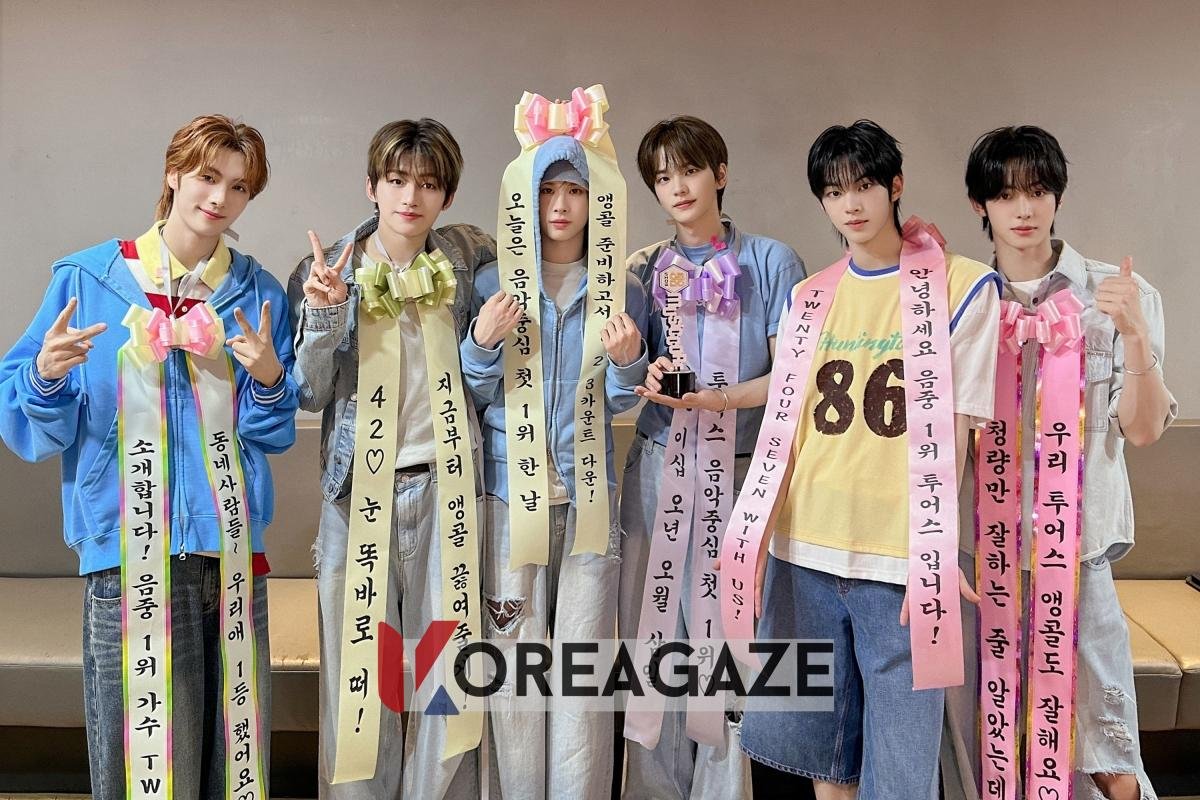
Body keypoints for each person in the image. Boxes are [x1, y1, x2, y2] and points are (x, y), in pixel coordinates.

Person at [0, 114, 296, 799]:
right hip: (126, 561)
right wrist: (44, 375)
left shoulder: (257, 295)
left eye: (238, 186)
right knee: (145, 775)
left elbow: (272, 432)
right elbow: (31, 427)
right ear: (173, 174)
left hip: (232, 560)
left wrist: (271, 379)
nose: (219, 197)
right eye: (207, 176)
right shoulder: (87, 280)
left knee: (234, 772)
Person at [736, 119, 1001, 799]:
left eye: (863, 186)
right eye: (833, 192)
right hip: (805, 548)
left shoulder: (965, 287)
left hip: (899, 562)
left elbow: (960, 429)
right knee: (823, 756)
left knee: (903, 767)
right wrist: (756, 542)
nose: (850, 204)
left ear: (895, 185)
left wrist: (937, 552)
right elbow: (789, 428)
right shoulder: (808, 295)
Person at [943, 124, 1175, 800]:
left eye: (1038, 191)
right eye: (1005, 194)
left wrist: (1134, 336)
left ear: (1058, 197)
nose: (1024, 209)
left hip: (1079, 557)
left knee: (1107, 747)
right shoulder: (958, 301)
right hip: (980, 558)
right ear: (979, 204)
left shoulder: (1119, 293)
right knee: (989, 746)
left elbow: (1143, 430)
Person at [289, 117, 496, 799]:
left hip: (448, 490)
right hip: (358, 494)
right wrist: (326, 314)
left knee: (448, 674)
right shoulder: (327, 271)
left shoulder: (466, 259)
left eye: (429, 185)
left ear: (447, 196)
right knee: (362, 679)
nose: (411, 197)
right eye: (398, 180)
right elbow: (308, 392)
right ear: (371, 185)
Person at [460, 88, 649, 799]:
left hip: (592, 502)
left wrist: (629, 363)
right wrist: (481, 345)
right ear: (526, 201)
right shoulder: (491, 283)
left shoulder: (624, 289)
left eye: (576, 190)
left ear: (598, 201)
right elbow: (469, 397)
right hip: (510, 499)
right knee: (510, 671)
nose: (561, 205)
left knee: (582, 674)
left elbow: (624, 400)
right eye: (548, 191)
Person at [619, 115, 806, 800]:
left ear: (720, 174)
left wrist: (717, 400)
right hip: (657, 464)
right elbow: (623, 378)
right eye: (662, 177)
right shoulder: (642, 268)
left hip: (745, 471)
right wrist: (636, 367)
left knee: (730, 635)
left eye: (690, 170)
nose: (678, 187)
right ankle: (652, 789)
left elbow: (792, 377)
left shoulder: (772, 261)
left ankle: (723, 790)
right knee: (654, 629)